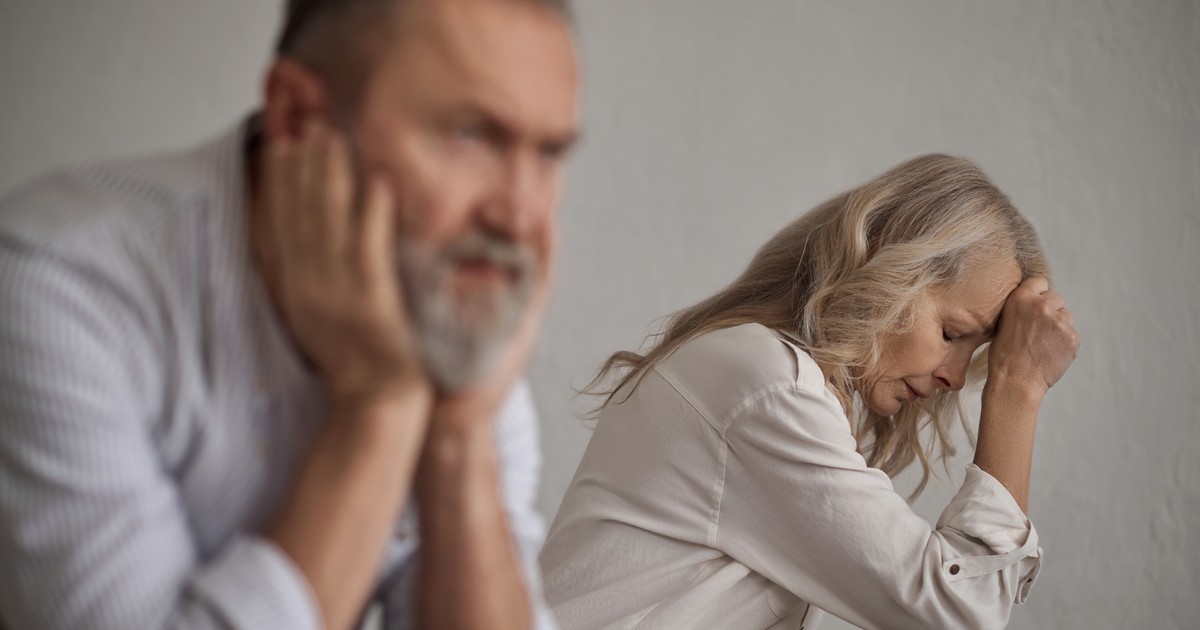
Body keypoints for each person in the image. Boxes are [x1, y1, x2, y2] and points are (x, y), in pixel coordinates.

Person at [0, 0, 579, 628]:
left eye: (548, 154)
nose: (520, 218)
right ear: (298, 117)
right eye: (470, 136)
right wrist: (379, 402)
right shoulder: (60, 286)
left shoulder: (452, 324)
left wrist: (459, 435)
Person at [540, 154, 1080, 629]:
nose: (955, 378)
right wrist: (1017, 388)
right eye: (950, 334)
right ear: (883, 267)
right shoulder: (766, 386)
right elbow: (957, 610)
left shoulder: (748, 368)